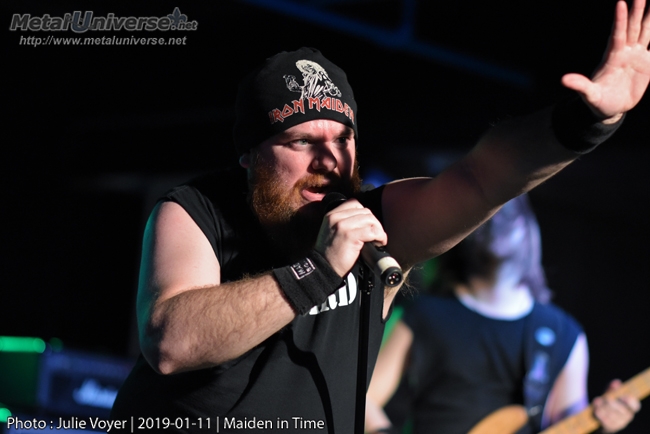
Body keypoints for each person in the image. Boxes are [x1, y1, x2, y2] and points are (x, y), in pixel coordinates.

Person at [111, 0, 650, 431]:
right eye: (301, 141)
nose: (329, 161)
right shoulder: (197, 209)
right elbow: (171, 343)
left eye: (342, 139)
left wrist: (585, 122)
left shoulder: (374, 221)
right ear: (251, 155)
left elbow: (481, 179)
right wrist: (319, 271)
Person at [364, 195, 641, 434]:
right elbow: (365, 398)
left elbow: (570, 421)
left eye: (509, 210)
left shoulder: (563, 331)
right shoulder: (423, 314)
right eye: (489, 213)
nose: (499, 218)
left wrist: (604, 422)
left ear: (528, 228)